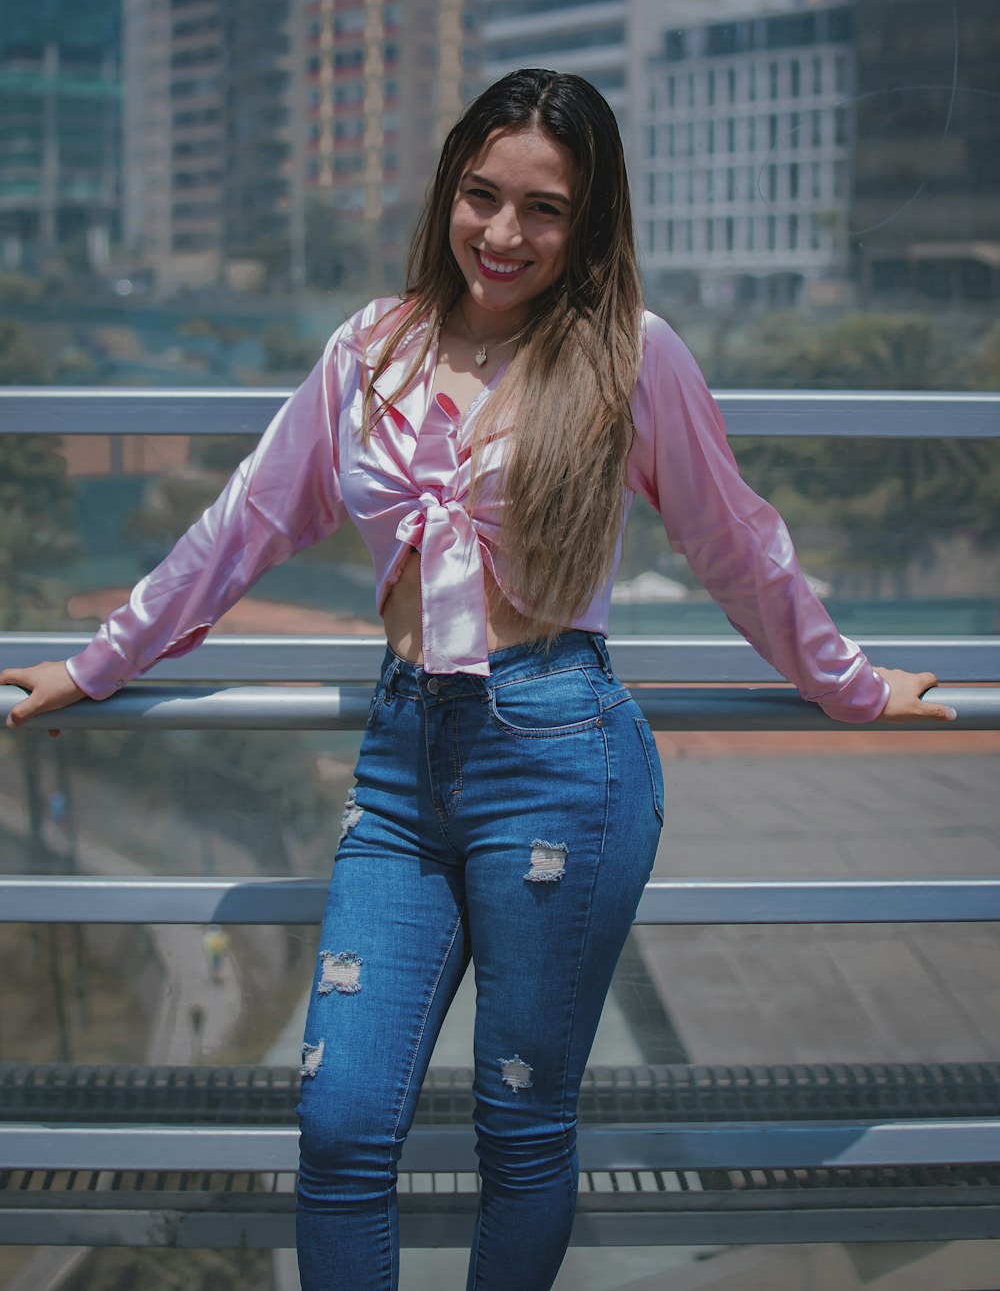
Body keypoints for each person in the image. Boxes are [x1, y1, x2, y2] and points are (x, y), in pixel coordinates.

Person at [1, 69, 954, 1290]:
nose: (502, 235)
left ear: (590, 219)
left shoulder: (632, 357)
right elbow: (240, 525)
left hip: (563, 760)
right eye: (480, 195)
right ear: (448, 191)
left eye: (543, 209)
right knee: (340, 1121)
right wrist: (97, 663)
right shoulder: (371, 347)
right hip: (400, 770)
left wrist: (852, 683)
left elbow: (736, 540)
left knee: (520, 1126)